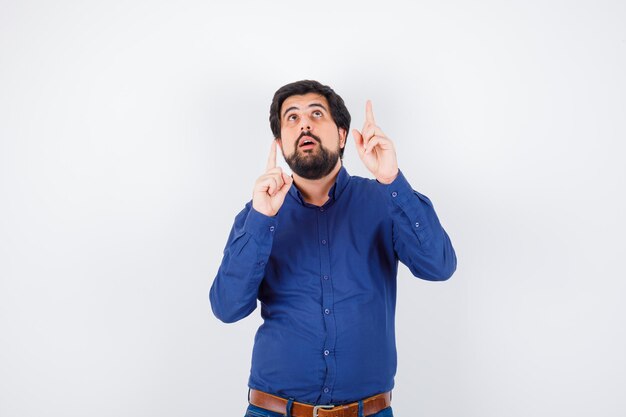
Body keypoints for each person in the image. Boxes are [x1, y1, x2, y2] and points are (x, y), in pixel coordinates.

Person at [209, 80, 457, 417]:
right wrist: (260, 219)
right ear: (281, 144)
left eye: (316, 113)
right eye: (292, 118)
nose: (305, 124)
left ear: (342, 135)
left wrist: (392, 180)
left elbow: (439, 266)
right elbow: (227, 308)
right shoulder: (259, 214)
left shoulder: (384, 200)